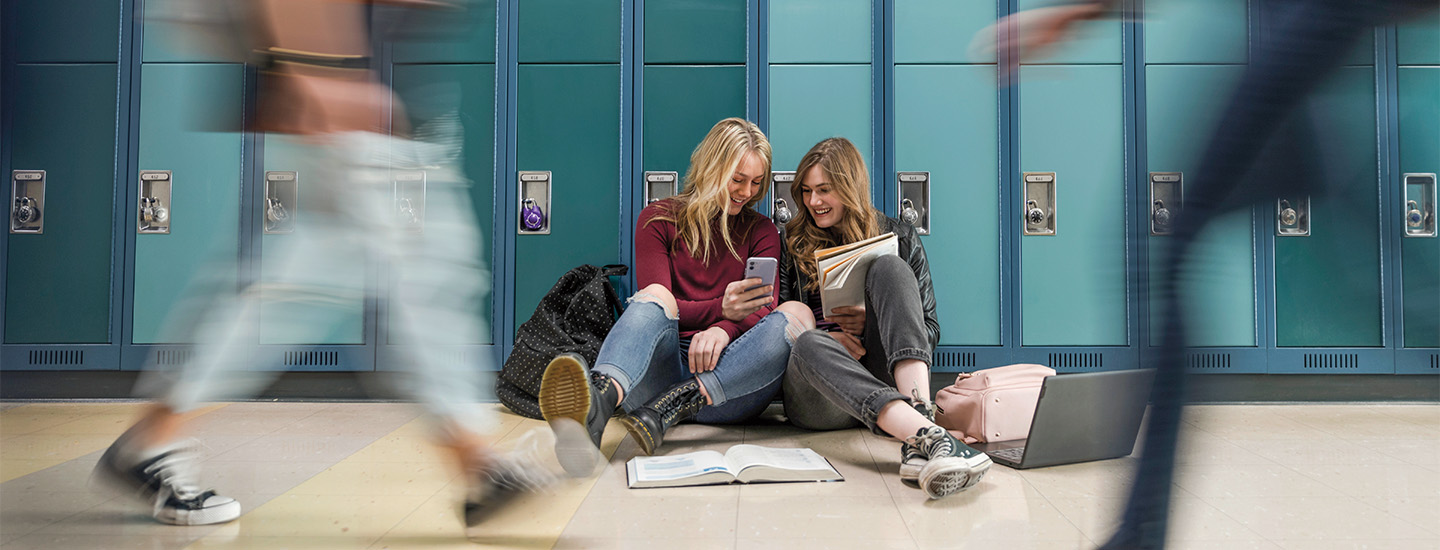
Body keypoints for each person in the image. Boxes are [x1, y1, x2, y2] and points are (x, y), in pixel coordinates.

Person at [984, 0, 1437, 547]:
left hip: (1312, 18)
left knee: (1176, 245)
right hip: (1299, 23)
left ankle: (1142, 531)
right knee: (1334, 234)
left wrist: (1077, 14)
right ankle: (1141, 529)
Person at [91, 0, 550, 529]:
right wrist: (317, 74)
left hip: (375, 108)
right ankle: (478, 464)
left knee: (362, 288)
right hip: (354, 113)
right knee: (392, 288)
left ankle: (477, 464)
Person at [537, 117, 813, 476]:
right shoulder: (658, 220)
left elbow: (765, 308)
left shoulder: (761, 231)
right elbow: (660, 303)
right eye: (737, 179)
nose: (746, 192)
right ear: (713, 167)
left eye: (756, 182)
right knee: (654, 295)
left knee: (798, 312)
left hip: (729, 382)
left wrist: (724, 330)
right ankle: (597, 405)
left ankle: (678, 404)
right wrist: (720, 310)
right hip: (657, 377)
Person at [777, 137, 992, 499]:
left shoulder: (900, 236)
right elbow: (773, 330)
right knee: (809, 341)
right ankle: (926, 433)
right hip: (817, 394)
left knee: (890, 268)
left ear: (850, 187)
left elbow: (930, 330)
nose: (813, 202)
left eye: (825, 190)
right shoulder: (790, 240)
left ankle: (918, 430)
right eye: (807, 191)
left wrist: (870, 322)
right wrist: (823, 336)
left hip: (881, 375)